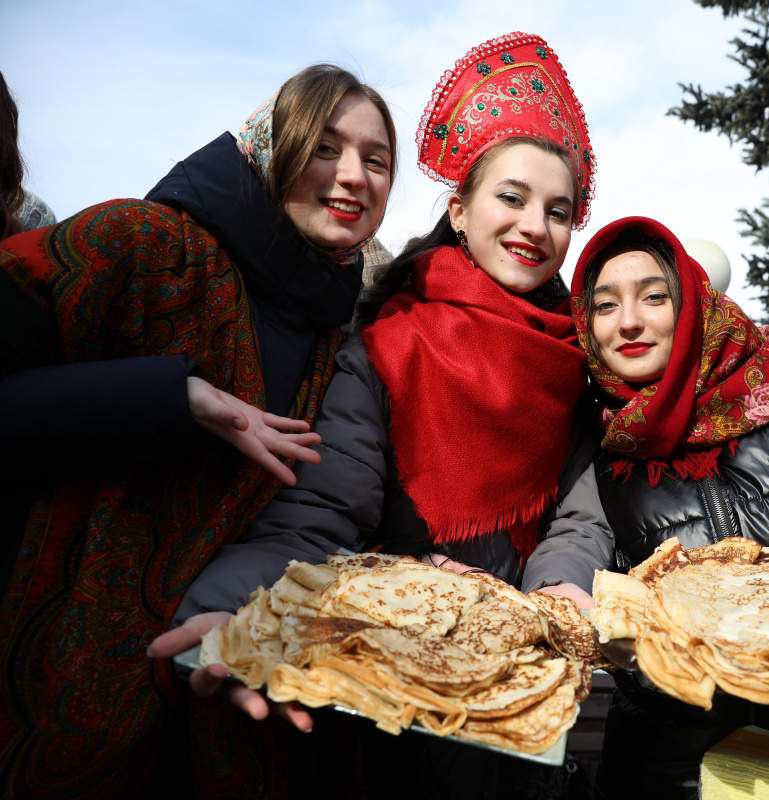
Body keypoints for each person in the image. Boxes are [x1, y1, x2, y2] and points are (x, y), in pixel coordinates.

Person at [152, 32, 603, 799]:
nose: (536, 226)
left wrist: (559, 590)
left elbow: (581, 513)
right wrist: (227, 612)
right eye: (513, 198)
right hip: (402, 686)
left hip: (534, 674)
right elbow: (318, 517)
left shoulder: (578, 360)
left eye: (559, 212)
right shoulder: (388, 344)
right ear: (458, 210)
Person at [0, 64, 396, 798]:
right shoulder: (140, 243)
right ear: (271, 148)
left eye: (376, 160)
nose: (353, 177)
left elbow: (304, 524)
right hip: (40, 686)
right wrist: (171, 399)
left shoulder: (332, 339)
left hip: (207, 704)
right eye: (325, 147)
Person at [519, 216, 769, 799]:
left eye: (654, 297)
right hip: (669, 752)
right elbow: (577, 534)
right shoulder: (602, 436)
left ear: (690, 303)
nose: (628, 321)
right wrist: (559, 588)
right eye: (604, 306)